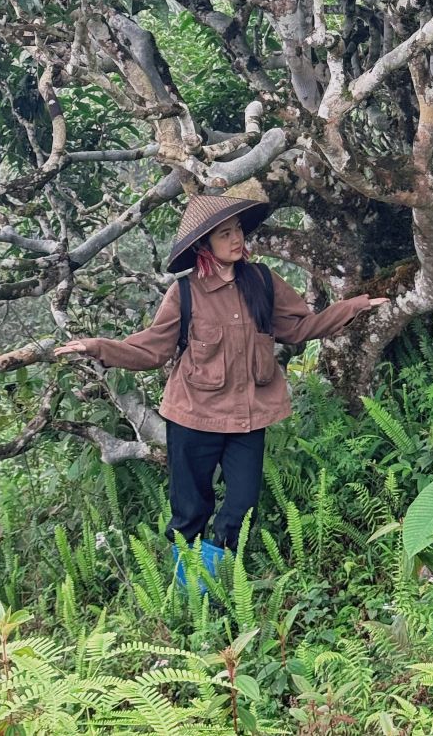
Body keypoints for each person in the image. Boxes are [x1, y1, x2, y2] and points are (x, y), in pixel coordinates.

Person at [55, 185, 388, 584]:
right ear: (204, 245)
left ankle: (216, 575)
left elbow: (298, 328)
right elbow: (153, 349)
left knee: (243, 502)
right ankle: (192, 595)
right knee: (190, 508)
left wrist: (352, 307)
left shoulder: (263, 280)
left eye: (237, 231)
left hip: (248, 416)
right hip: (194, 415)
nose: (236, 239)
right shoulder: (184, 293)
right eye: (224, 233)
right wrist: (99, 347)